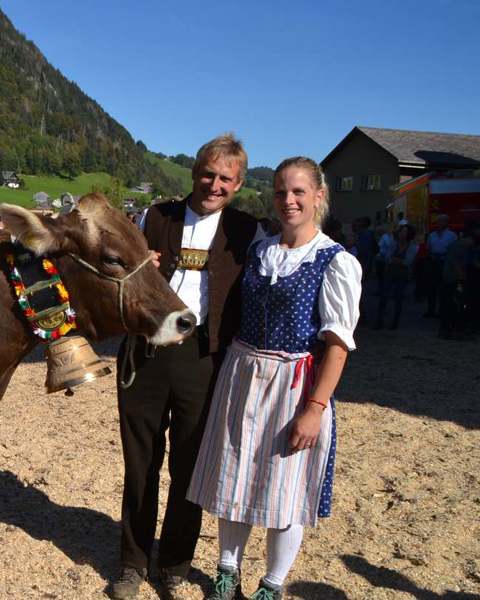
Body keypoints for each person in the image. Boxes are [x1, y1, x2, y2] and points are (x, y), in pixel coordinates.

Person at [188, 157, 362, 600]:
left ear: (319, 196)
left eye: (299, 191)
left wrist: (316, 409)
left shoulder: (334, 261)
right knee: (235, 476)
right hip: (242, 373)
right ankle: (227, 572)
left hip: (293, 383)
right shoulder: (260, 251)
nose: (289, 200)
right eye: (282, 191)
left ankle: (272, 584)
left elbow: (338, 346)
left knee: (285, 491)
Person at [111, 133, 261, 600]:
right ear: (195, 170)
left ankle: (176, 563)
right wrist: (136, 269)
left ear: (237, 184)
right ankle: (133, 562)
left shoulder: (247, 231)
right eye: (208, 173)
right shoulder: (155, 216)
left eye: (226, 179)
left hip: (205, 357)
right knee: (140, 464)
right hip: (149, 351)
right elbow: (110, 277)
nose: (214, 184)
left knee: (190, 466)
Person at [374, 223, 417, 329]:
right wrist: (398, 260)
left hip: (402, 273)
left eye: (404, 232)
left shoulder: (412, 246)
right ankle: (380, 321)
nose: (402, 234)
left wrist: (395, 260)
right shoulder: (394, 244)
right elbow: (388, 257)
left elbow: (407, 262)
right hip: (390, 271)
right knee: (384, 296)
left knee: (398, 298)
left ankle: (395, 322)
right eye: (401, 232)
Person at [424, 214, 457, 317]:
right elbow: (428, 248)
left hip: (445, 263)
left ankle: (442, 311)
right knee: (431, 288)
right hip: (433, 263)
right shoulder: (432, 235)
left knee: (443, 289)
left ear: (447, 223)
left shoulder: (452, 235)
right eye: (438, 221)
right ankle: (430, 310)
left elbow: (454, 251)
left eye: (442, 221)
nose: (439, 223)